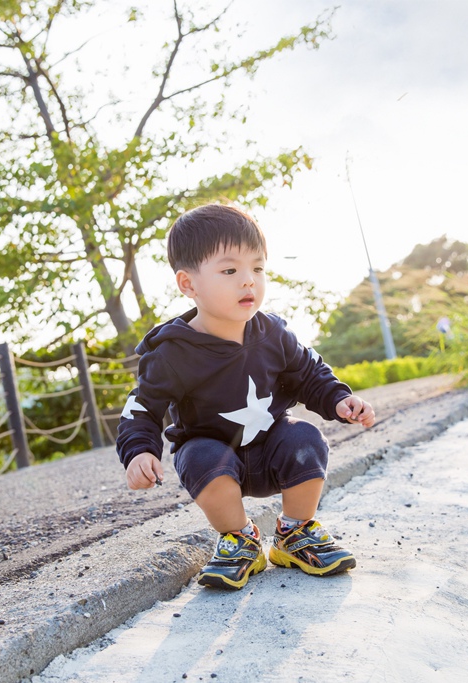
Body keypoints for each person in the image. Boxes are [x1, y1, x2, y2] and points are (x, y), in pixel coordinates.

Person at [116, 203, 376, 590]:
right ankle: (240, 538)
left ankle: (294, 532)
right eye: (230, 270)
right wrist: (139, 451)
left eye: (257, 268)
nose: (248, 281)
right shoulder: (172, 353)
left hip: (270, 447)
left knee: (305, 438)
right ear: (188, 284)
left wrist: (339, 399)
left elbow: (309, 372)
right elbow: (142, 408)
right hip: (214, 458)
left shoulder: (272, 333)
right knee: (199, 454)